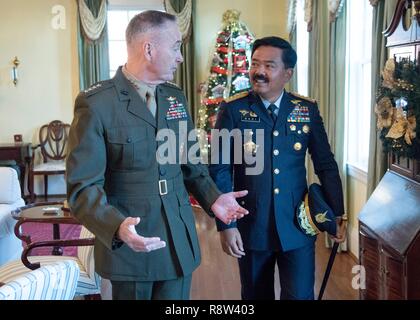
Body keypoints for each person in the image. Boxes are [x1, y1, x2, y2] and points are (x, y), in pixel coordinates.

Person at [66, 10, 248, 300]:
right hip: (133, 241)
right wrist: (116, 226)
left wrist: (214, 198)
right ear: (148, 48)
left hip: (178, 238)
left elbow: (192, 167)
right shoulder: (97, 103)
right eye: (175, 46)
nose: (180, 57)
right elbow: (83, 188)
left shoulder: (175, 97)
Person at [209, 36, 346, 300]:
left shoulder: (305, 109)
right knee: (254, 295)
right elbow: (219, 168)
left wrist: (337, 211)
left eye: (269, 65)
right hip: (250, 225)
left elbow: (325, 164)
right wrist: (226, 225)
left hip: (298, 225)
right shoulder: (234, 109)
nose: (259, 72)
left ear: (287, 73)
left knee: (299, 295)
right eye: (255, 64)